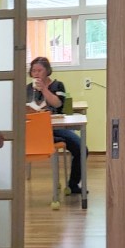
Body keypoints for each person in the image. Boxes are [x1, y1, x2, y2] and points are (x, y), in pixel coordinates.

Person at [26, 55, 83, 195]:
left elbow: (58, 104)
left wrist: (44, 89)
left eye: (39, 70)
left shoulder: (58, 85)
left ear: (47, 71)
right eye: (33, 71)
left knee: (81, 148)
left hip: (56, 128)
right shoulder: (27, 89)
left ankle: (73, 184)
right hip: (36, 129)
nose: (36, 74)